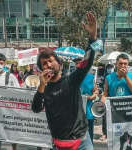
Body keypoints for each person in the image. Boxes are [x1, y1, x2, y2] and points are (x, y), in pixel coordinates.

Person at [31, 12, 98, 150]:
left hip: (81, 142)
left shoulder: (71, 80)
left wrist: (92, 38)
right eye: (44, 63)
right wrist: (41, 86)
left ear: (59, 64)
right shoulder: (44, 89)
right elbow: (36, 108)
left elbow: (87, 62)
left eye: (51, 61)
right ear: (41, 68)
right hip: (58, 143)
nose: (48, 65)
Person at [80, 70, 99, 144]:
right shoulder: (72, 77)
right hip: (75, 112)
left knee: (89, 133)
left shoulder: (90, 77)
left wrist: (91, 97)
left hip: (88, 110)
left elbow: (96, 91)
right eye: (77, 64)